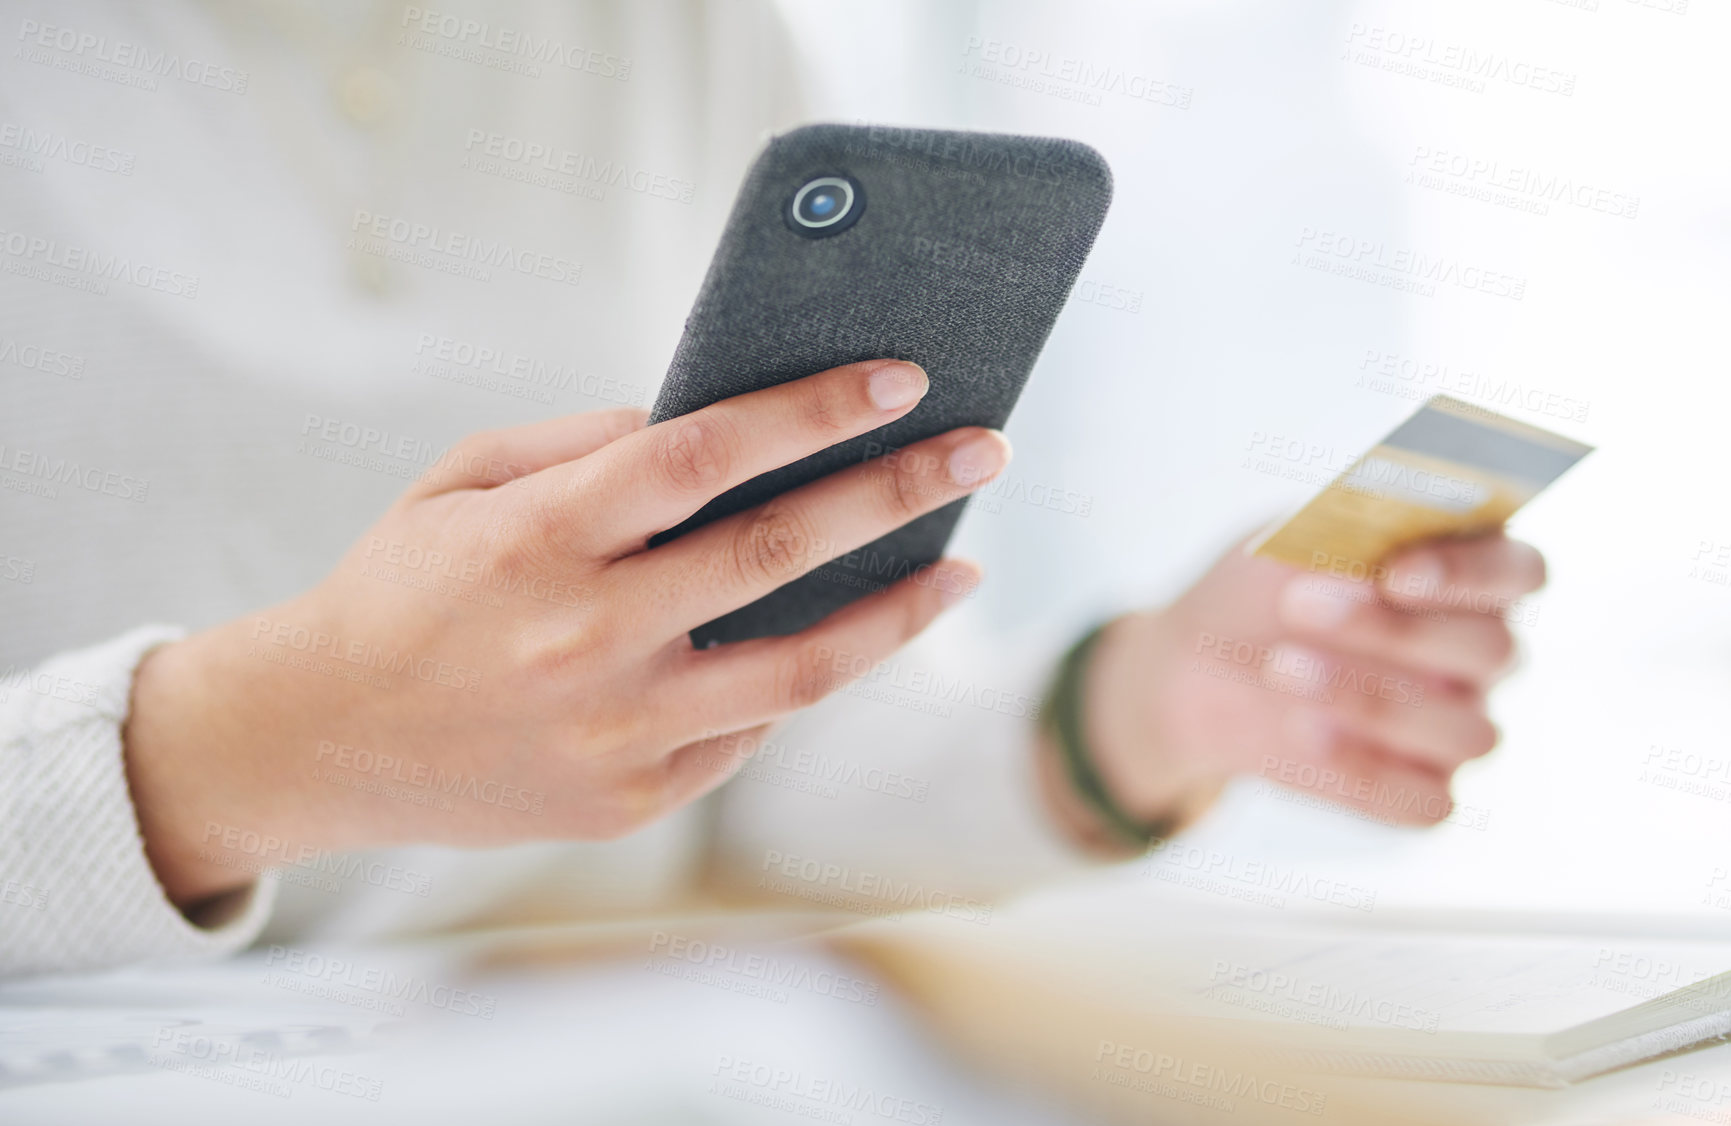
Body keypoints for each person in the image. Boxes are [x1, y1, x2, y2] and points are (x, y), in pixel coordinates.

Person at [0, 0, 1542, 977]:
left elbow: (752, 764)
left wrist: (1144, 708)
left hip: (579, 1074)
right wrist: (246, 753)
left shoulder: (682, 35)